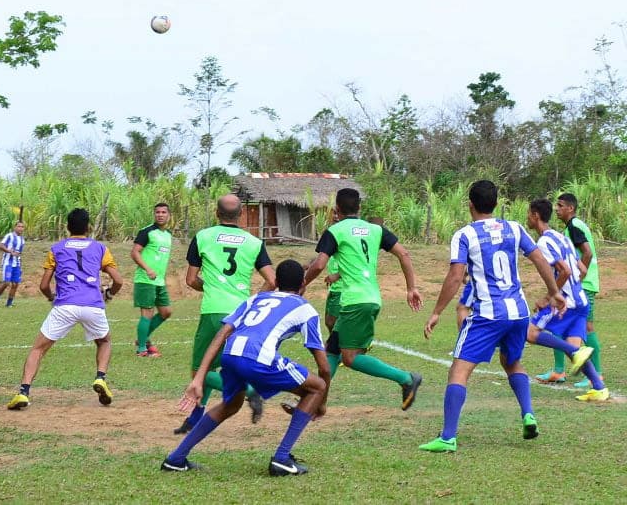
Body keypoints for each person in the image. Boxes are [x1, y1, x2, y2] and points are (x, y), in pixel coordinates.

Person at [420, 181, 566, 453]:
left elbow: (455, 276)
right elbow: (539, 260)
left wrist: (437, 311)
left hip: (488, 313)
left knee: (459, 371)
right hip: (519, 312)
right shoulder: (514, 228)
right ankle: (528, 414)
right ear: (496, 204)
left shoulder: (465, 235)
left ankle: (448, 437)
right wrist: (554, 292)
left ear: (470, 204)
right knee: (512, 363)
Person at [161, 260, 331, 476]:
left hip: (230, 354)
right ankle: (281, 459)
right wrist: (322, 403)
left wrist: (199, 377)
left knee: (230, 405)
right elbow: (324, 367)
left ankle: (176, 459)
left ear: (276, 282)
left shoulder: (255, 299)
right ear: (303, 285)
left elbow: (222, 333)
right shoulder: (305, 308)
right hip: (257, 358)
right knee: (316, 387)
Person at [301, 188, 424, 411]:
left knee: (350, 358)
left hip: (354, 302)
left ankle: (406, 378)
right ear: (359, 208)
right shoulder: (376, 230)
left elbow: (319, 264)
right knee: (333, 349)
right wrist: (411, 288)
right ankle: (317, 402)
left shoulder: (335, 231)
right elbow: (404, 254)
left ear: (336, 210)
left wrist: (301, 285)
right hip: (372, 298)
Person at [173, 194, 276, 435]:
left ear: (216, 213)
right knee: (218, 366)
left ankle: (250, 391)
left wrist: (207, 287)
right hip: (241, 313)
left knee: (200, 371)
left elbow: (190, 280)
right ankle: (195, 417)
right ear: (241, 214)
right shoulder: (253, 242)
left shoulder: (203, 237)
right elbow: (272, 280)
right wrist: (252, 302)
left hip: (213, 311)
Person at [7, 208, 123, 410]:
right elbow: (118, 281)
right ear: (88, 227)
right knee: (104, 341)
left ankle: (23, 392)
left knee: (38, 349)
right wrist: (109, 294)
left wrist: (52, 297)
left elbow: (43, 285)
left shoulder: (56, 249)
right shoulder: (100, 248)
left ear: (68, 227)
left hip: (65, 305)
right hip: (93, 305)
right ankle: (100, 377)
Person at [524, 199, 607, 401]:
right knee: (575, 352)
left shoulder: (543, 242)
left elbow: (565, 270)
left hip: (566, 302)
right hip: (580, 300)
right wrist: (574, 288)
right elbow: (583, 269)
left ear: (535, 216)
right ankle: (599, 388)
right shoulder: (561, 237)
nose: (527, 217)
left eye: (528, 214)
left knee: (530, 333)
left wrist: (550, 297)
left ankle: (578, 355)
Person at [131, 203, 173, 357]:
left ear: (169, 215)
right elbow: (135, 253)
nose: (160, 215)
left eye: (163, 212)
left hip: (159, 281)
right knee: (147, 313)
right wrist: (147, 269)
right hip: (145, 279)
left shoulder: (168, 235)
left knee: (166, 312)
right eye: (157, 212)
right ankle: (142, 349)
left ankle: (143, 338)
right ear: (154, 214)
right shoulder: (147, 231)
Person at [0, 221, 25, 307]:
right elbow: (1, 246)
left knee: (15, 284)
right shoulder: (9, 236)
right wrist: (9, 251)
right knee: (6, 282)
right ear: (15, 227)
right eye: (19, 226)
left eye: (22, 227)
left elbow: (19, 253)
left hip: (16, 263)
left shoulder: (22, 240)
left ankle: (9, 303)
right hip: (8, 262)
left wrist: (20, 265)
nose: (20, 228)